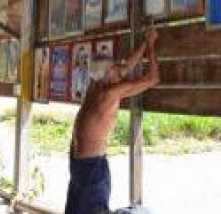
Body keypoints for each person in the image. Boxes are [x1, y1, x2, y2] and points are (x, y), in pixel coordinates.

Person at [65, 26, 159, 214]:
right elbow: (153, 78)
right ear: (107, 74)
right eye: (114, 67)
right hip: (89, 167)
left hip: (83, 165)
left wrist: (145, 44)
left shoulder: (97, 84)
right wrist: (150, 46)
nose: (120, 69)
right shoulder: (108, 92)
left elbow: (126, 68)